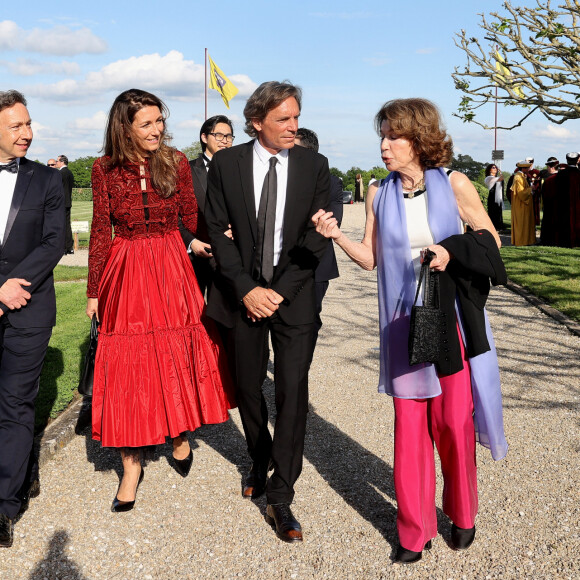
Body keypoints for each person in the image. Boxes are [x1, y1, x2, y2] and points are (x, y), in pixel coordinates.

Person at [313, 98, 507, 563]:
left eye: (393, 137)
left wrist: (450, 251)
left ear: (418, 140)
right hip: (401, 326)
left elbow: (492, 240)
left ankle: (462, 513)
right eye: (382, 136)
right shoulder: (380, 193)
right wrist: (337, 236)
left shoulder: (455, 183)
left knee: (454, 425)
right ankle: (413, 530)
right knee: (410, 430)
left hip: (451, 321)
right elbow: (372, 258)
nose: (384, 146)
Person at [86, 89, 234, 513]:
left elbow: (191, 214)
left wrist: (214, 237)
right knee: (130, 368)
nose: (157, 130)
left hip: (171, 265)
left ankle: (180, 431)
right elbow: (101, 231)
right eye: (146, 123)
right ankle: (131, 467)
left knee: (174, 355)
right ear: (124, 127)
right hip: (128, 266)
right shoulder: (104, 169)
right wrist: (94, 290)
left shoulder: (177, 162)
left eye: (160, 121)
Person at [205, 81, 330, 543]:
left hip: (293, 297)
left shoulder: (315, 165)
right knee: (247, 385)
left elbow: (317, 238)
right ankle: (258, 456)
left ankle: (281, 493)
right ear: (256, 121)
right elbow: (217, 230)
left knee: (293, 392)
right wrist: (246, 289)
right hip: (241, 295)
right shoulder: (227, 163)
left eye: (297, 117)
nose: (294, 127)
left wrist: (276, 292)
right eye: (284, 119)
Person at [0, 90, 65, 548]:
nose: (28, 133)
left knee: (16, 404)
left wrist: (10, 288)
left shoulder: (48, 180)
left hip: (29, 308)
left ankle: (5, 503)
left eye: (28, 124)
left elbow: (55, 240)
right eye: (16, 126)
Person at [294, 127, 343, 340]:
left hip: (316, 262)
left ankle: (301, 368)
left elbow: (331, 222)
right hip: (278, 261)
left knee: (310, 319)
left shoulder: (331, 182)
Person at [179, 115, 234, 298]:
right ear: (204, 137)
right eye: (219, 135)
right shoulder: (186, 170)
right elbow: (172, 214)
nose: (224, 141)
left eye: (229, 136)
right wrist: (191, 242)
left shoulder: (241, 172)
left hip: (230, 255)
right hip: (196, 255)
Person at [511, 159, 536, 246]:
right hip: (521, 204)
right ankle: (521, 241)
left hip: (523, 204)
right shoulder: (518, 177)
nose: (529, 169)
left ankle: (526, 240)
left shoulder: (522, 176)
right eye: (528, 168)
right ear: (524, 168)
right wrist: (531, 189)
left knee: (525, 222)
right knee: (521, 223)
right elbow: (521, 193)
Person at [55, 154, 75, 255]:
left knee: (61, 225)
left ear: (62, 162)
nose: (56, 163)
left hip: (61, 203)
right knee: (67, 225)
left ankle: (63, 247)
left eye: (57, 161)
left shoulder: (60, 174)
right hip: (68, 202)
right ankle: (69, 247)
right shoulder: (70, 173)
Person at [484, 164, 504, 231]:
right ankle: (493, 227)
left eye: (496, 168)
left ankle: (499, 226)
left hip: (498, 197)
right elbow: (500, 179)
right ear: (489, 169)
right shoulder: (489, 178)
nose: (495, 169)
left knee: (498, 211)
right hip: (492, 196)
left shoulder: (495, 178)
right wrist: (501, 172)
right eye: (493, 167)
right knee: (493, 212)